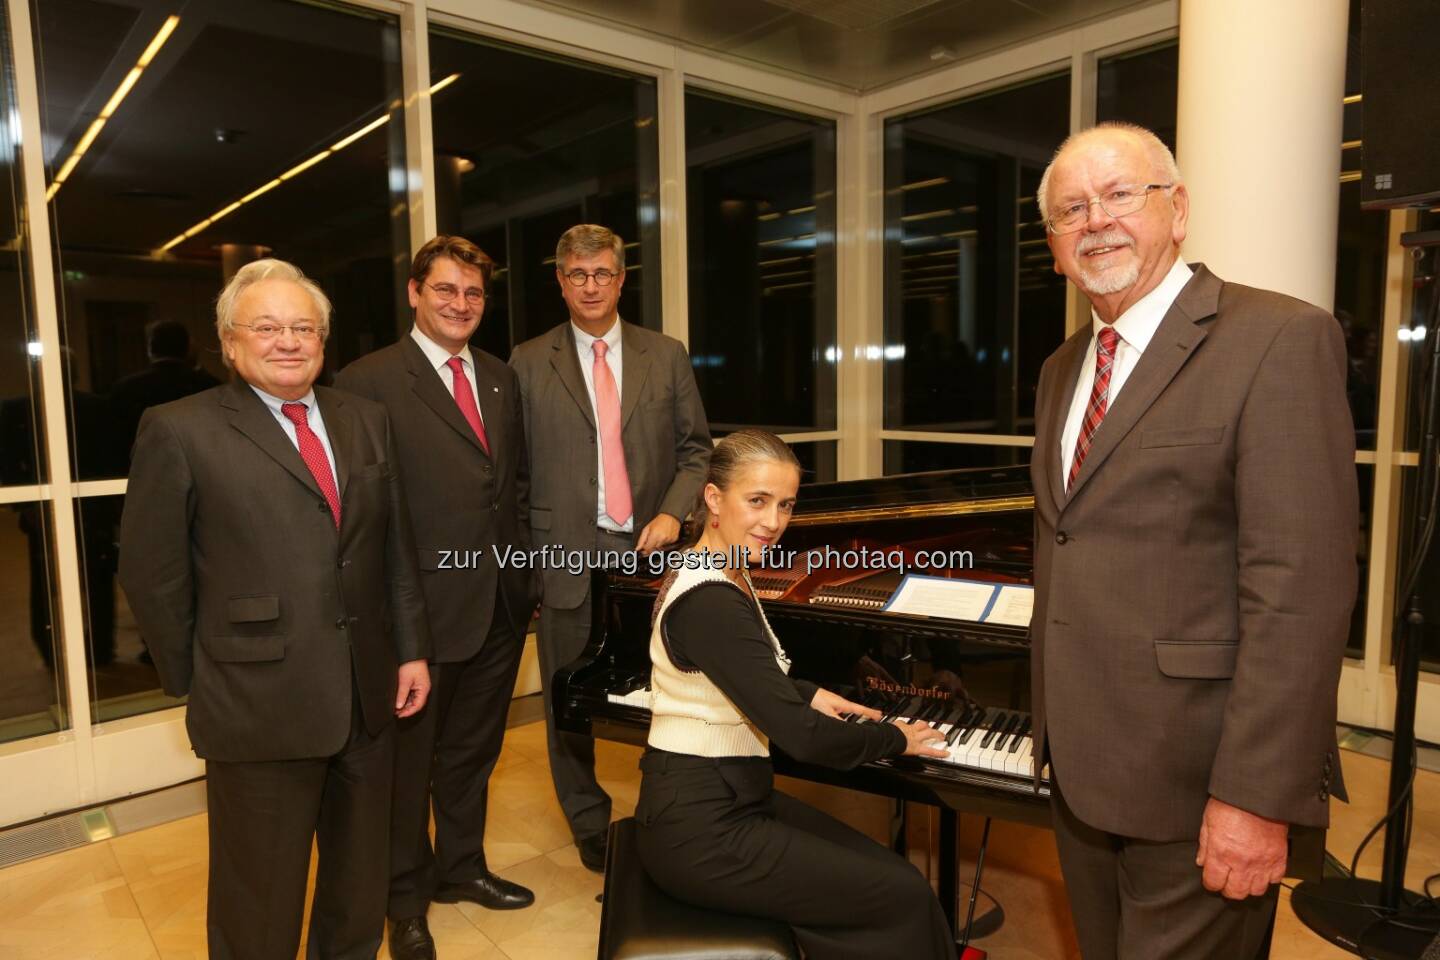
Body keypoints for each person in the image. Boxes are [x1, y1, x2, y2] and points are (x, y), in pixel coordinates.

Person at [1029, 122, 1358, 959]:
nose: (1095, 220)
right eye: (1071, 209)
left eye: (1119, 195)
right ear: (1056, 247)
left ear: (1177, 211)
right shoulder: (1062, 368)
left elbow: (1300, 590)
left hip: (1201, 778)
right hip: (1080, 768)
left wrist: (1255, 797)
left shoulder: (1278, 338)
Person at [118, 258, 432, 960]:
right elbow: (151, 571)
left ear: (323, 340)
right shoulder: (180, 428)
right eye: (267, 326)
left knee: (357, 887)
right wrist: (199, 676)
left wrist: (410, 648)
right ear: (229, 342)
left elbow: (394, 549)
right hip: (255, 702)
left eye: (303, 327)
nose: (288, 340)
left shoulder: (366, 419)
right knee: (259, 898)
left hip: (368, 694)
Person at [633, 429, 957, 960]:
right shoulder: (711, 599)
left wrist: (804, 692)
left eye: (785, 505)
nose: (774, 522)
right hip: (701, 832)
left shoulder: (716, 567)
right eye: (756, 501)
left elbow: (734, 672)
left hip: (727, 797)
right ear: (714, 498)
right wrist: (894, 739)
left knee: (892, 874)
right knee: (903, 894)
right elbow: (804, 742)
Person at [335, 236, 538, 960]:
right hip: (413, 620)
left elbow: (510, 490)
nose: (461, 304)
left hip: (499, 608)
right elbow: (363, 517)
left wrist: (527, 577)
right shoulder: (367, 382)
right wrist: (394, 624)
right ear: (415, 294)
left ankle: (462, 869)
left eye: (474, 293)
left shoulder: (497, 377)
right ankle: (405, 902)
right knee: (405, 770)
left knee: (471, 756)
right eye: (446, 290)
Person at [510, 223, 711, 871]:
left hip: (649, 565)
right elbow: (513, 473)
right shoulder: (525, 360)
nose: (590, 285)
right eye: (577, 274)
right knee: (570, 705)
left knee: (670, 697)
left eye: (602, 273)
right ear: (560, 282)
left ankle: (668, 813)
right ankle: (589, 821)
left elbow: (696, 452)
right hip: (563, 558)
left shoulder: (667, 354)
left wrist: (672, 513)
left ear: (622, 279)